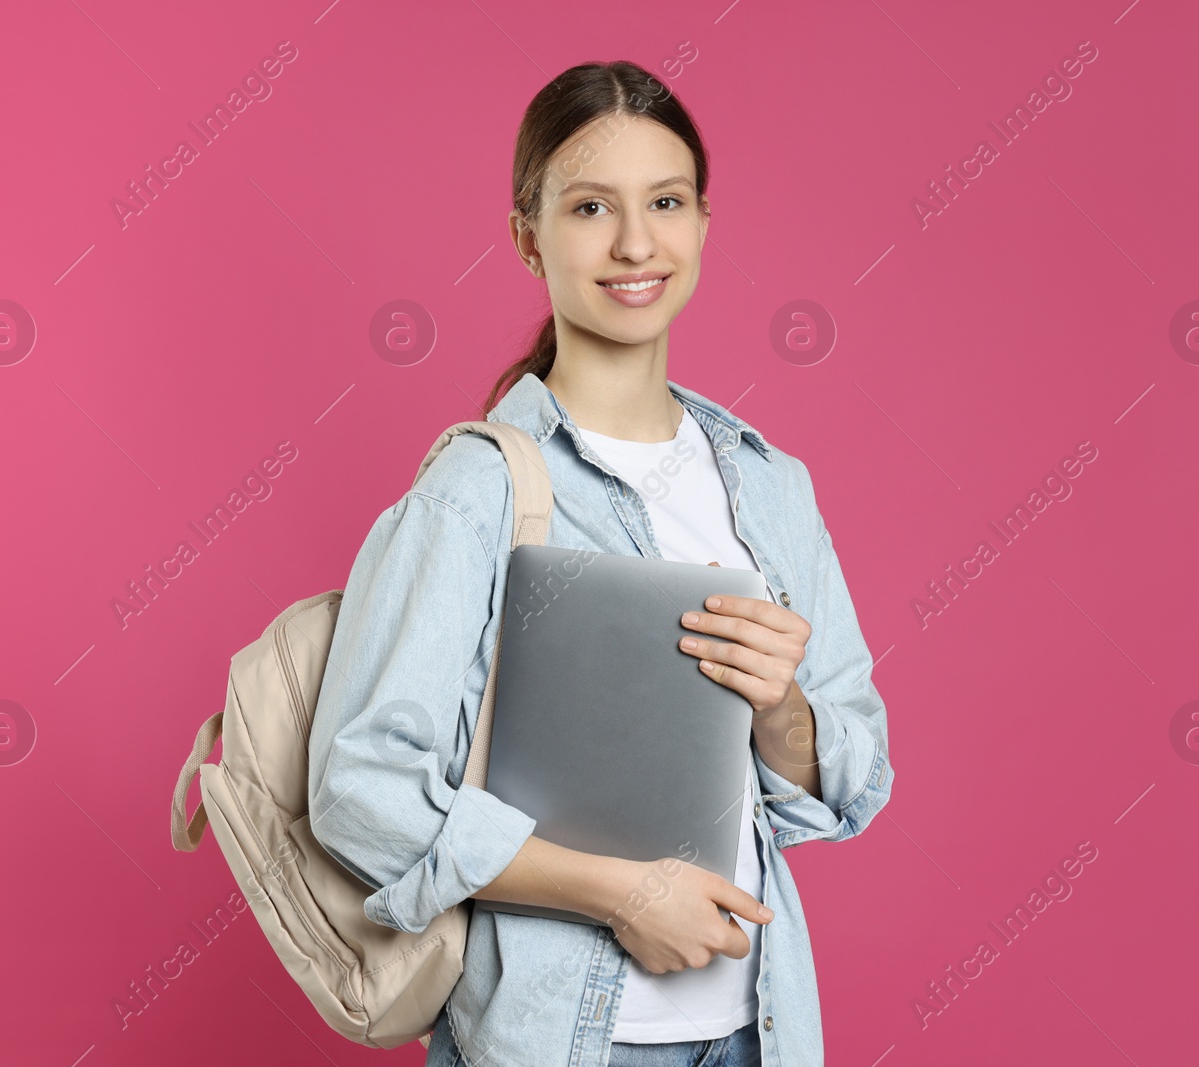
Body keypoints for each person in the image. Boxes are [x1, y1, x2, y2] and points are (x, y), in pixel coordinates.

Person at [306, 60, 893, 1067]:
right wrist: (624, 891)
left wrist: (780, 709)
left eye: (664, 202)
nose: (634, 243)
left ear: (703, 222)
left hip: (761, 1026)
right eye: (589, 207)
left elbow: (856, 773)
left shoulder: (769, 483)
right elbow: (360, 786)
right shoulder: (474, 489)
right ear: (526, 234)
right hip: (565, 1039)